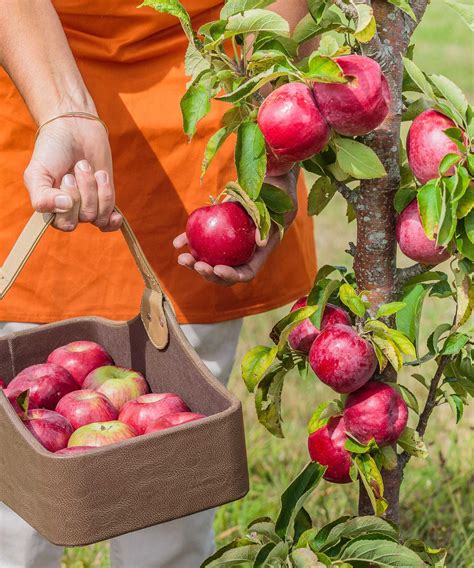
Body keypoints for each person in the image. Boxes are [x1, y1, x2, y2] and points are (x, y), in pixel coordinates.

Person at [0, 1, 317, 567]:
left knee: (171, 488)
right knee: (15, 490)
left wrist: (276, 158)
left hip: (205, 94)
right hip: (35, 73)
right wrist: (63, 111)